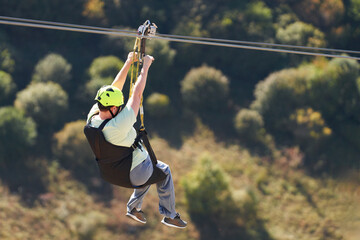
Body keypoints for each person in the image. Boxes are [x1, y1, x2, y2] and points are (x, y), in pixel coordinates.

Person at [84, 52, 187, 229]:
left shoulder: (93, 117)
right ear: (114, 108)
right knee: (162, 171)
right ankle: (169, 215)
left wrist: (128, 62)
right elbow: (137, 94)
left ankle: (133, 208)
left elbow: (114, 87)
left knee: (144, 168)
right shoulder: (119, 124)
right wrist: (145, 67)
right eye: (120, 106)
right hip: (134, 173)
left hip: (112, 173)